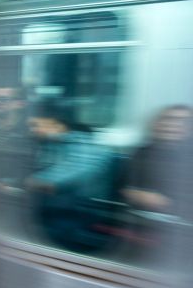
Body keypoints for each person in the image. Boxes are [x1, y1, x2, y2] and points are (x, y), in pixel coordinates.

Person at [24, 101, 115, 252]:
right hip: (58, 209)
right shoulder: (50, 144)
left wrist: (32, 182)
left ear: (57, 126)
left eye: (35, 125)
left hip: (82, 215)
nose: (32, 131)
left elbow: (64, 176)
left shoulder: (85, 145)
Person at [121, 105, 193, 270]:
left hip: (180, 232)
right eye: (167, 119)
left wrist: (166, 203)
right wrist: (132, 194)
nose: (171, 125)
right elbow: (122, 187)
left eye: (181, 121)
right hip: (135, 226)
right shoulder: (141, 152)